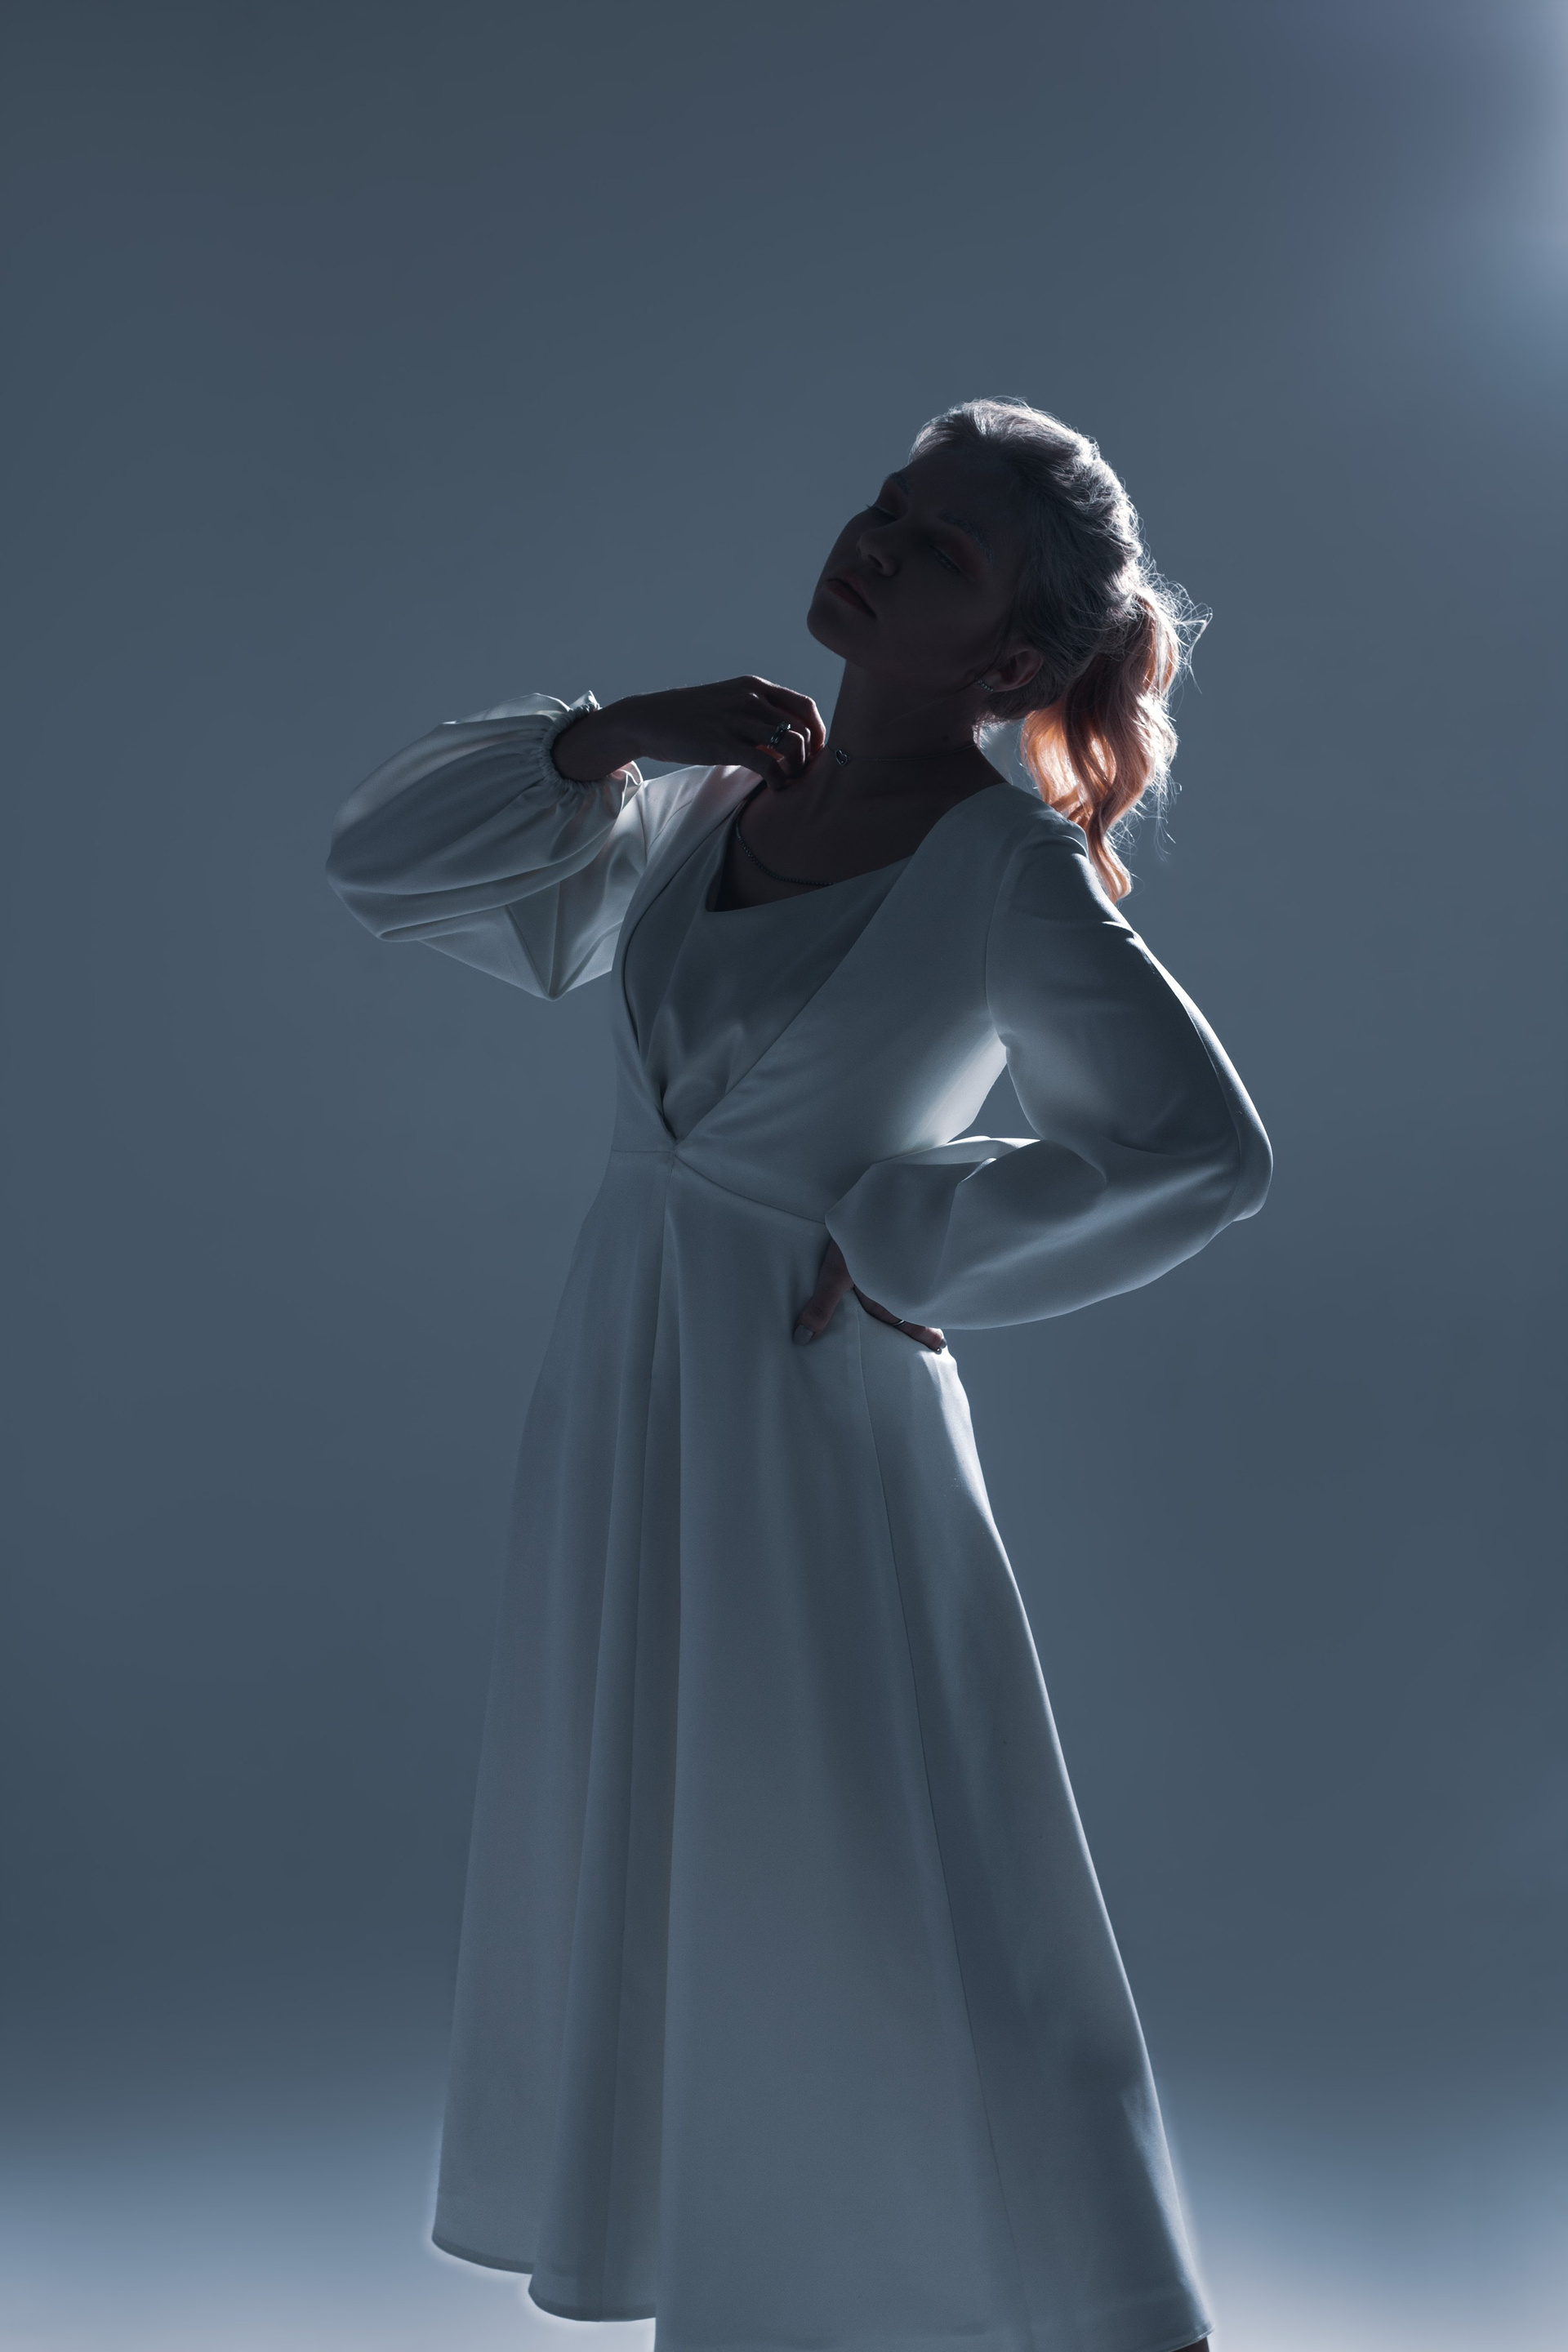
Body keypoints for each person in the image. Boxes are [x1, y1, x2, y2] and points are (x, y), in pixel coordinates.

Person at [327, 396, 1270, 2352]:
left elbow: (1201, 1150)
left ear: (1011, 660)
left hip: (816, 1418)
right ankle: (759, 2280)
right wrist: (610, 736)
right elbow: (378, 863)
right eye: (888, 507)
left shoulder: (1009, 872)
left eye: (940, 550)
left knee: (891, 1858)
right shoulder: (705, 807)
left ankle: (1078, 2300)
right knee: (689, 1841)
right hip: (630, 1384)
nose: (876, 544)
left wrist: (907, 1231)